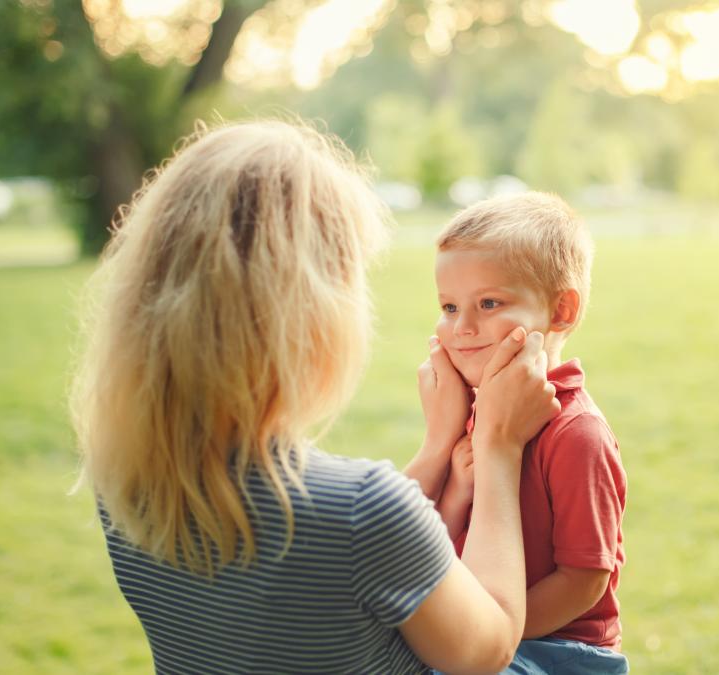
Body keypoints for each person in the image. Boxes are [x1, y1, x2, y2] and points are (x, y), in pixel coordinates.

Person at [70, 119, 561, 674]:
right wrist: (498, 444)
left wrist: (435, 449)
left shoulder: (127, 486)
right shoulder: (361, 510)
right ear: (306, 308)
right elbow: (489, 647)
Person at [403, 193, 629, 674]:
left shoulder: (576, 433)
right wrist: (454, 487)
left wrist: (490, 632)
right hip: (475, 630)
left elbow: (584, 579)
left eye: (488, 303)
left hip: (557, 651)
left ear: (561, 310)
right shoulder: (474, 411)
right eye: (449, 306)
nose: (462, 327)